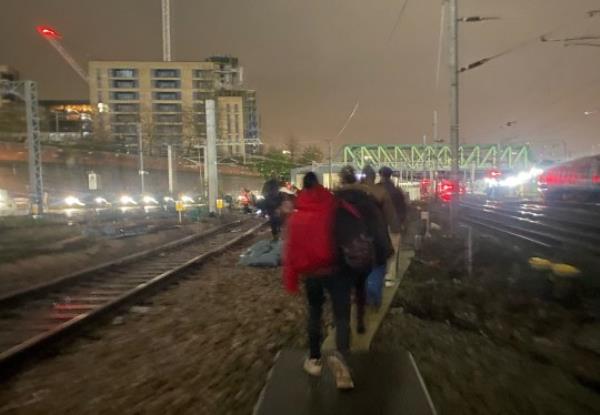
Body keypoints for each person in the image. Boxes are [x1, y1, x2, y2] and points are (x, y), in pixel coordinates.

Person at [283, 172, 354, 390]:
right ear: (320, 185)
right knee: (342, 316)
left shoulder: (296, 216)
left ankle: (314, 360)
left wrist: (291, 280)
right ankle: (343, 362)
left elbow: (291, 251)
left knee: (314, 313)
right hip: (337, 270)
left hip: (312, 274)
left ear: (303, 189)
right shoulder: (333, 206)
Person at [337, 166, 393, 332]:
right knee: (361, 287)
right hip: (363, 250)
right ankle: (360, 320)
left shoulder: (335, 201)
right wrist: (384, 248)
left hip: (341, 251)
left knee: (342, 289)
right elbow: (377, 226)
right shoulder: (367, 200)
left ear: (341, 181)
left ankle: (343, 330)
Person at [377, 167, 407, 285]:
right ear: (390, 176)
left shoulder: (377, 189)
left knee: (380, 250)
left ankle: (379, 276)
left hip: (380, 225)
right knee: (394, 250)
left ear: (381, 175)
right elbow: (403, 209)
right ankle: (390, 277)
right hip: (395, 224)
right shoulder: (397, 191)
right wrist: (402, 222)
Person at [262, 172, 282, 240]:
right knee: (275, 219)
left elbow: (263, 193)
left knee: (273, 219)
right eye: (275, 176)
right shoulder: (278, 184)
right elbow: (281, 194)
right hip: (274, 204)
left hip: (271, 204)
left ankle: (275, 233)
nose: (275, 177)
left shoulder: (268, 184)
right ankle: (276, 233)